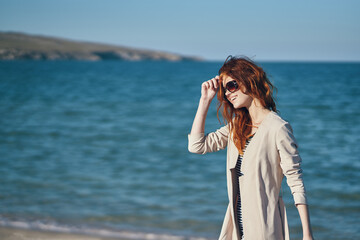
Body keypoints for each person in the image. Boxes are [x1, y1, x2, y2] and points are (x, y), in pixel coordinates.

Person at [188, 56, 314, 240]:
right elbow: (197, 146)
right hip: (236, 231)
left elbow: (295, 180)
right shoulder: (236, 127)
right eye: (224, 91)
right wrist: (205, 100)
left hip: (264, 229)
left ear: (249, 80)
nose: (228, 94)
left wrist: (307, 234)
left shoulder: (278, 128)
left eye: (231, 85)